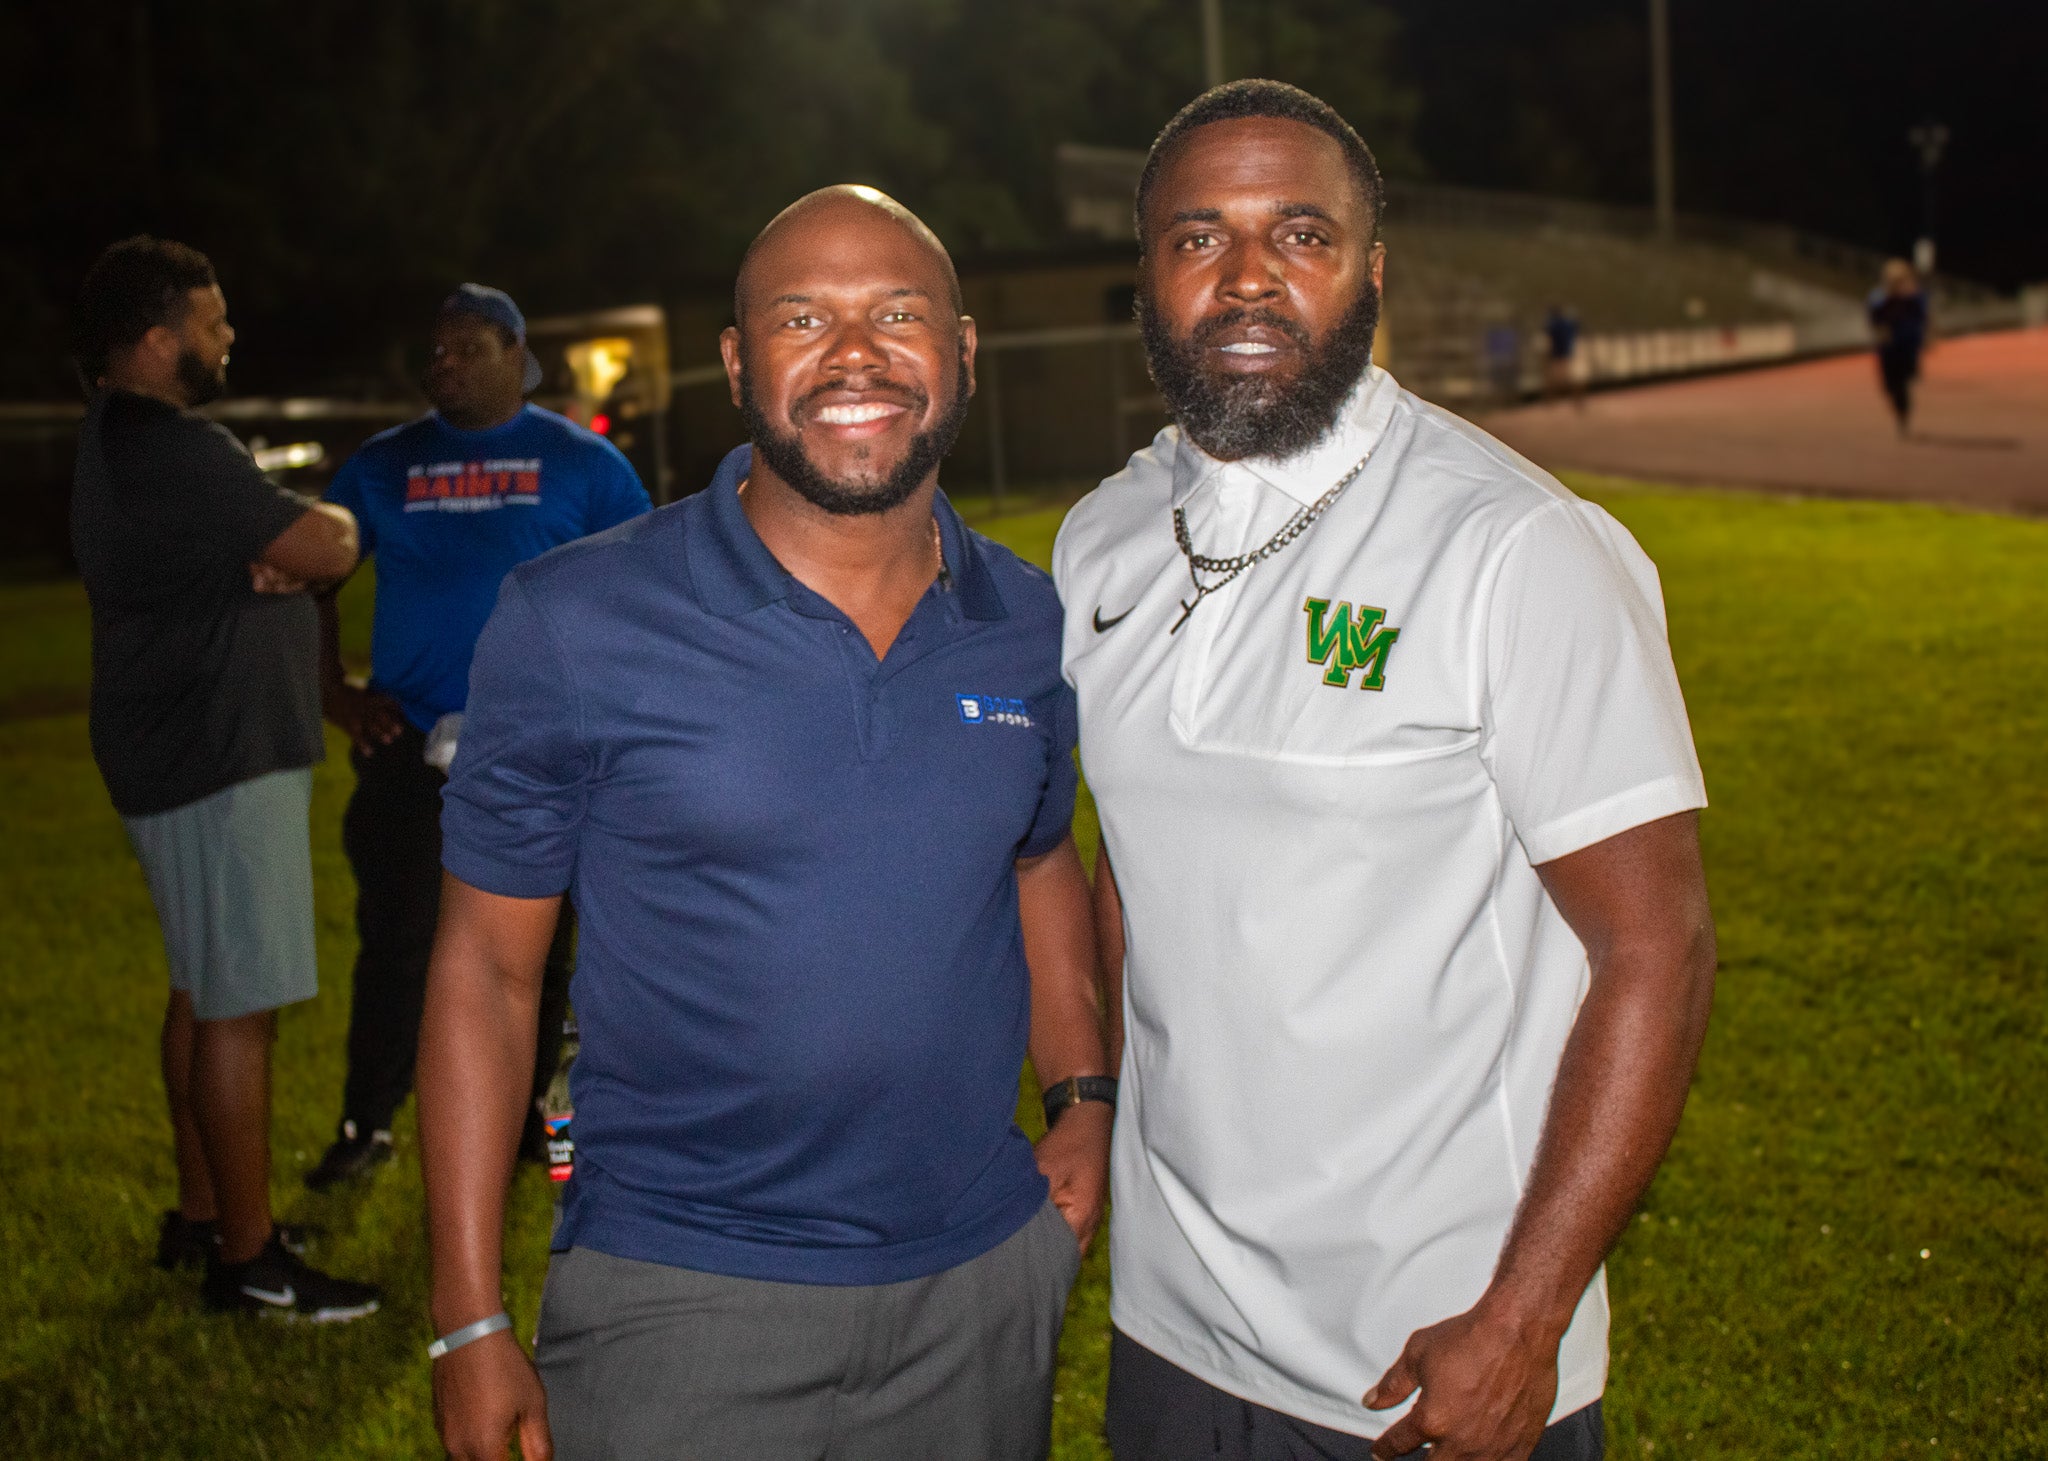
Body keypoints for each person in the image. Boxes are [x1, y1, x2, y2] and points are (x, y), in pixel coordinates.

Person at [1054, 81, 1717, 1461]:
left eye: (1299, 234)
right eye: (1198, 237)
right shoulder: (1103, 536)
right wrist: (1100, 1101)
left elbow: (1658, 948)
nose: (1246, 277)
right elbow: (1138, 864)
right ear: (1147, 275)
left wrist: (1526, 1318)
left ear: (1371, 268)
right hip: (1171, 1332)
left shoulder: (1515, 548)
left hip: (1429, 1348)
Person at [417, 186, 1110, 1461]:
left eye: (898, 313)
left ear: (960, 353)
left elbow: (1040, 857)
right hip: (679, 1299)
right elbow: (484, 971)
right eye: (803, 318)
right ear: (739, 365)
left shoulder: (1028, 623)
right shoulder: (575, 620)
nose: (855, 352)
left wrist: (1086, 1099)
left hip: (976, 1291)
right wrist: (468, 1320)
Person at [69, 236, 382, 1321]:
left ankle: (206, 1215)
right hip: (219, 750)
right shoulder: (178, 448)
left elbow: (283, 552)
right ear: (159, 342)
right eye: (211, 320)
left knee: (204, 991)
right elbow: (332, 545)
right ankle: (249, 1263)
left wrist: (275, 549)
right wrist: (307, 533)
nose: (229, 334)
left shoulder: (119, 442)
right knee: (241, 1006)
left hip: (173, 745)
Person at [302, 284, 651, 1192]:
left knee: (541, 944)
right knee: (399, 938)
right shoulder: (383, 465)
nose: (440, 365)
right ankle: (367, 1122)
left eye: (463, 348)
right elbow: (312, 577)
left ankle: (537, 1119)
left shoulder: (586, 465)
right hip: (411, 741)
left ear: (513, 351)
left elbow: (644, 595)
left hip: (542, 748)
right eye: (434, 350)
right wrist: (332, 692)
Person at [1867, 259, 1929, 435]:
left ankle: (1903, 415)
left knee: (1902, 383)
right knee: (1889, 386)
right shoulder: (1879, 298)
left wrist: (1925, 338)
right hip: (1887, 348)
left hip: (1906, 345)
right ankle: (1901, 409)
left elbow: (1922, 317)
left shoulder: (1912, 298)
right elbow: (1873, 320)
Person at [1542, 304, 1584, 407]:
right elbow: (1577, 328)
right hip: (1568, 353)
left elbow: (1548, 336)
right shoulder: (1568, 323)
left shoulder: (1552, 324)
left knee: (1552, 379)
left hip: (1556, 354)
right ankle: (1577, 401)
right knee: (1571, 378)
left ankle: (1550, 402)